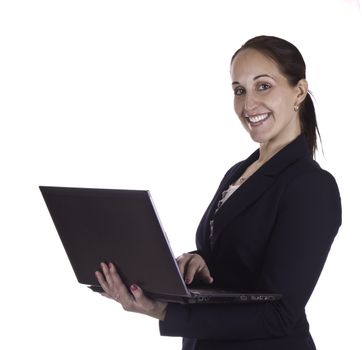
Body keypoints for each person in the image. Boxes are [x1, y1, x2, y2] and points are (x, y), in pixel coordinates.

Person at [95, 35, 342, 350]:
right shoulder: (239, 172)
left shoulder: (311, 186)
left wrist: (163, 311)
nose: (248, 104)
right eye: (239, 90)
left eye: (263, 86)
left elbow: (280, 313)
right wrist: (197, 264)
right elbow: (234, 260)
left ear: (299, 92)